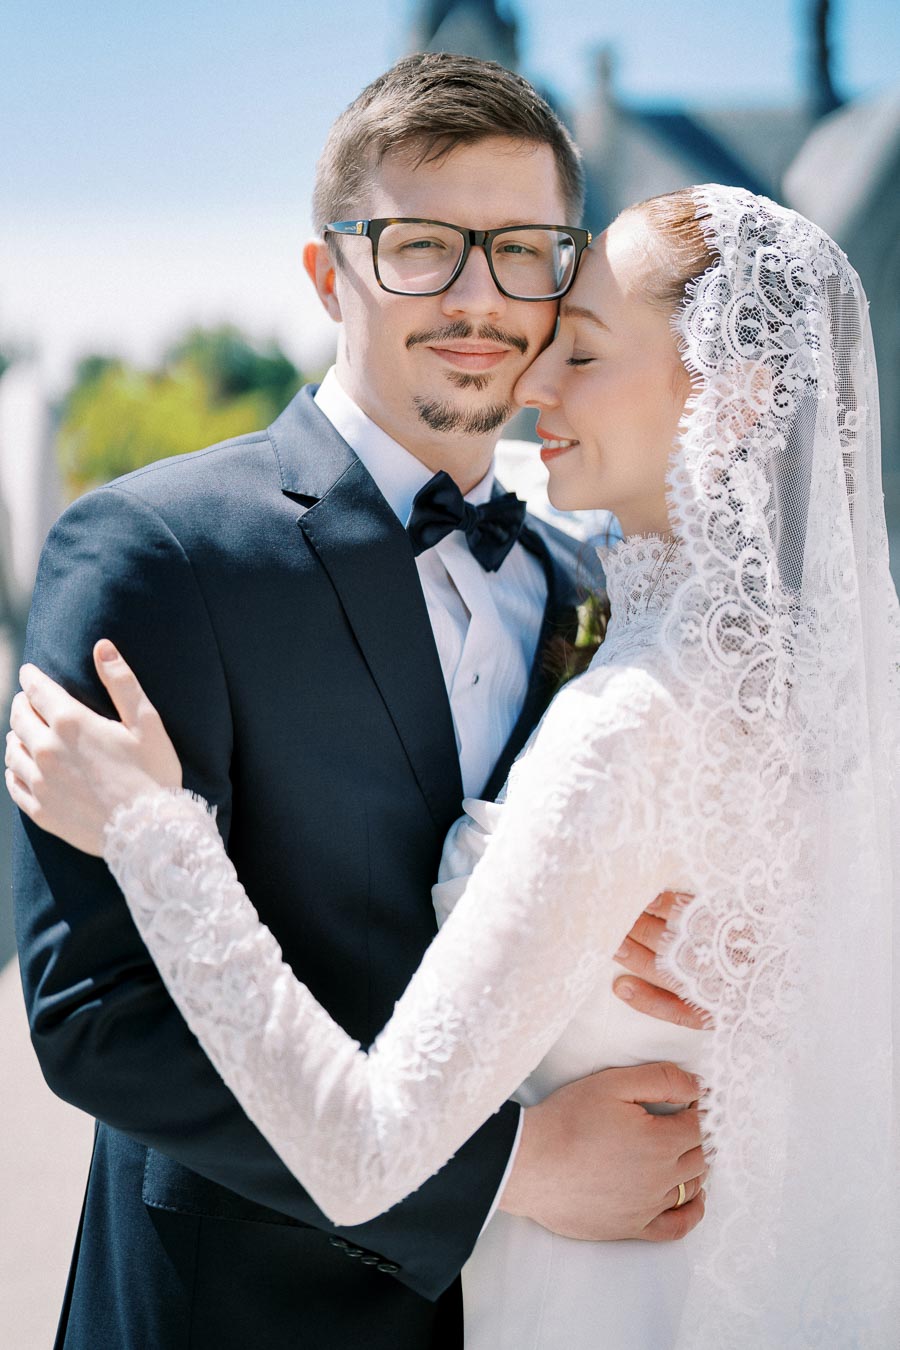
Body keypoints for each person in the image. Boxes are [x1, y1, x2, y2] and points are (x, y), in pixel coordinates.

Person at [12, 182, 899, 1347]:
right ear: (329, 274)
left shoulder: (624, 714)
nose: (530, 380)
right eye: (422, 248)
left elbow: (366, 1145)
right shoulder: (808, 681)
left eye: (579, 349)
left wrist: (153, 832)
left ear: (733, 397)